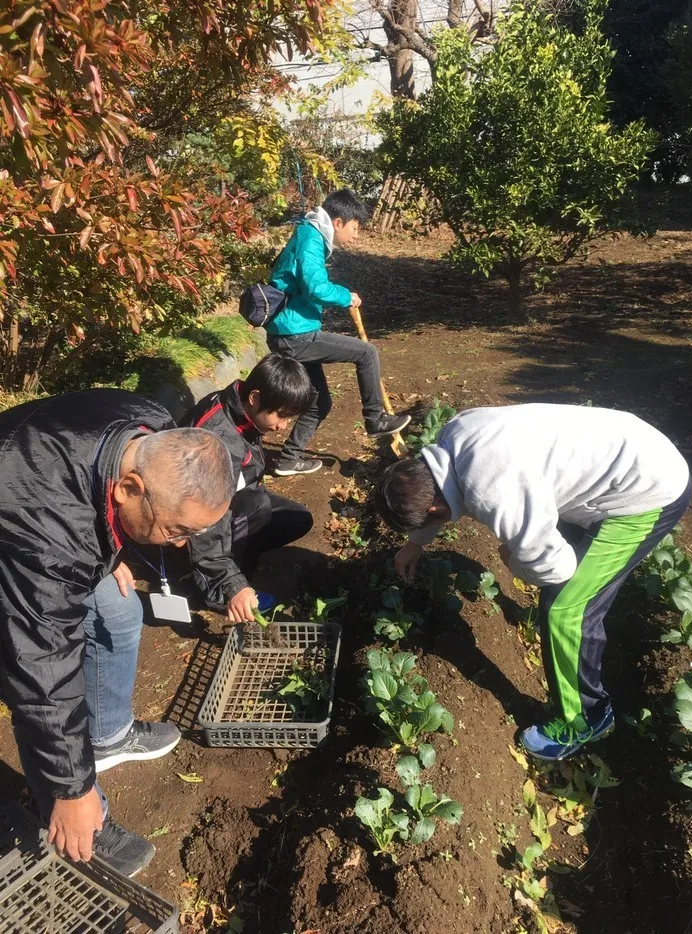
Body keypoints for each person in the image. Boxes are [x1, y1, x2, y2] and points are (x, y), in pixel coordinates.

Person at [0, 389, 235, 876]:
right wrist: (72, 788)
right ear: (128, 488)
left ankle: (107, 736)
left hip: (47, 513)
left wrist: (107, 552)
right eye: (176, 531)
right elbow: (41, 666)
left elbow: (85, 482)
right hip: (14, 534)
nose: (182, 544)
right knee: (27, 683)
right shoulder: (46, 533)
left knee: (119, 612)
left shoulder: (152, 424)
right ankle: (75, 814)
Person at [375, 403, 692, 762]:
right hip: (620, 454)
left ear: (433, 509)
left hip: (645, 491)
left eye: (429, 522)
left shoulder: (494, 490)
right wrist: (414, 544)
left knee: (565, 608)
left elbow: (557, 570)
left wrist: (514, 563)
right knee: (554, 576)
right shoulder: (451, 439)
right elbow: (432, 497)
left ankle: (585, 719)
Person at [265, 188, 411, 476]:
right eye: (355, 228)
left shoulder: (311, 236)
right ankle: (374, 419)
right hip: (294, 335)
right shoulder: (310, 240)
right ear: (338, 222)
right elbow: (315, 287)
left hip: (293, 330)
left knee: (320, 402)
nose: (356, 236)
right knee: (367, 353)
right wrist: (347, 296)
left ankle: (288, 459)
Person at [179, 354, 315, 622]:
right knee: (258, 508)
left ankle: (237, 562)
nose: (283, 426)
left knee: (297, 519)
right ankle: (216, 589)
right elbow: (204, 519)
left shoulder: (237, 407)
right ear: (255, 397)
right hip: (196, 519)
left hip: (229, 498)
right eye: (281, 416)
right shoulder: (216, 444)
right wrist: (232, 586)